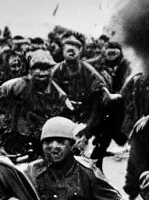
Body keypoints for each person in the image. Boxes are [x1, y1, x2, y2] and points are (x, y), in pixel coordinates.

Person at [20, 117, 135, 200]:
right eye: (48, 142)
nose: (54, 147)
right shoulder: (30, 172)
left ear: (72, 145)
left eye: (61, 142)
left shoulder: (88, 173)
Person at [0, 50, 71, 160]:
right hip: (10, 143)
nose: (42, 73)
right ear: (29, 71)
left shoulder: (59, 96)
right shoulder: (15, 86)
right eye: (37, 68)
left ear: (51, 70)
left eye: (46, 68)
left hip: (41, 147)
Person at [51, 35, 119, 169]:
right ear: (63, 51)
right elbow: (50, 86)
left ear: (80, 51)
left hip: (86, 111)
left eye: (75, 47)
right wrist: (63, 99)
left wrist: (105, 93)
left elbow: (100, 87)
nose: (72, 50)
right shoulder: (57, 70)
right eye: (68, 47)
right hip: (65, 110)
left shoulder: (87, 69)